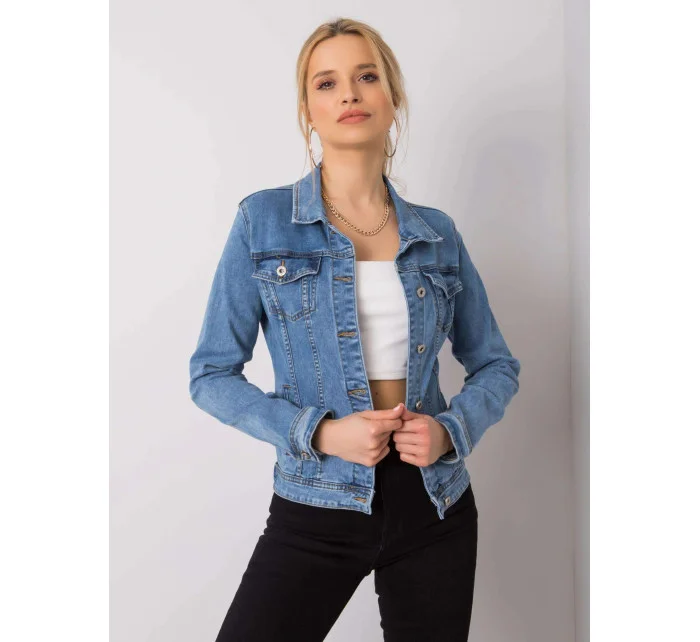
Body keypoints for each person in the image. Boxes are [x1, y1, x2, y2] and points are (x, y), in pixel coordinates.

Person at [189, 17, 521, 642]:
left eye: (366, 77)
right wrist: (319, 432)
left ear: (392, 98)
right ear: (308, 112)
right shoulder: (263, 221)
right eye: (327, 83)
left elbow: (496, 364)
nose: (349, 93)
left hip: (435, 503)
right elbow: (210, 375)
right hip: (317, 502)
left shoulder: (437, 233)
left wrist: (451, 431)